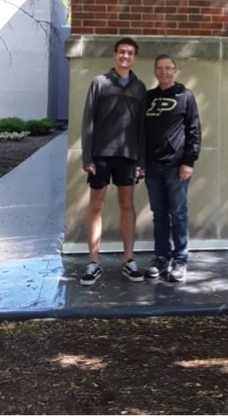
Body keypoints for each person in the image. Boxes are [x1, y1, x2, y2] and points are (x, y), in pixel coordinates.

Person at [79, 37, 146, 286]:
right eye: (121, 52)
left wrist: (142, 162)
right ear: (114, 55)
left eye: (130, 53)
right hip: (100, 155)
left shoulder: (139, 88)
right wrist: (87, 157)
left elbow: (141, 128)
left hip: (128, 156)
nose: (125, 56)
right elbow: (88, 122)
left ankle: (129, 260)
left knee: (126, 204)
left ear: (134, 57)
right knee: (96, 205)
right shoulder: (100, 83)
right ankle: (93, 263)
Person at [143, 54, 201, 283]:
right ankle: (161, 257)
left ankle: (180, 260)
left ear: (175, 71)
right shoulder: (148, 98)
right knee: (159, 215)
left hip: (177, 167)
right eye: (160, 68)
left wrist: (189, 161)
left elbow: (194, 131)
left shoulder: (185, 96)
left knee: (178, 214)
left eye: (168, 68)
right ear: (155, 71)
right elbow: (140, 132)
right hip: (152, 166)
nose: (164, 72)